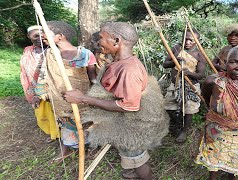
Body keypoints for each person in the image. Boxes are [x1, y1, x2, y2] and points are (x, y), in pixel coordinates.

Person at [64, 22, 169, 180]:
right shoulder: (119, 63)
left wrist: (83, 98)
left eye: (101, 38)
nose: (99, 42)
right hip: (124, 123)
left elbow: (128, 106)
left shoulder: (129, 70)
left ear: (117, 40)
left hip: (132, 127)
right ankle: (130, 171)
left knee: (137, 158)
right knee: (129, 153)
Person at [196, 45, 238, 179]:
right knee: (213, 160)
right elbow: (207, 98)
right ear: (225, 63)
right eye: (234, 62)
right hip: (216, 128)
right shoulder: (213, 81)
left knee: (236, 163)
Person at [40, 20, 97, 163]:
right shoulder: (50, 54)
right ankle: (65, 150)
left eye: (46, 33)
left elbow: (93, 78)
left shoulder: (85, 54)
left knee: (86, 124)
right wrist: (40, 91)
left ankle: (90, 149)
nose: (42, 36)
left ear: (60, 36)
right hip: (60, 100)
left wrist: (96, 96)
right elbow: (44, 74)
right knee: (65, 124)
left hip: (82, 99)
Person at [163, 27, 206, 143]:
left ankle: (184, 131)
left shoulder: (199, 55)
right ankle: (174, 126)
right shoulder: (176, 48)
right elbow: (165, 64)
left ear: (197, 41)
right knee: (169, 106)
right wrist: (174, 61)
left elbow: (201, 75)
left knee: (189, 110)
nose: (188, 42)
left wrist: (189, 73)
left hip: (191, 86)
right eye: (185, 39)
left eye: (191, 40)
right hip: (175, 85)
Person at [20, 25, 60, 143]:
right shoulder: (28, 50)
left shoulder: (52, 49)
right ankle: (50, 132)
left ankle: (58, 134)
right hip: (32, 86)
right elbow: (24, 70)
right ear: (29, 37)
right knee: (41, 113)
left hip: (50, 87)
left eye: (41, 35)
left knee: (54, 111)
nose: (39, 38)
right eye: (35, 36)